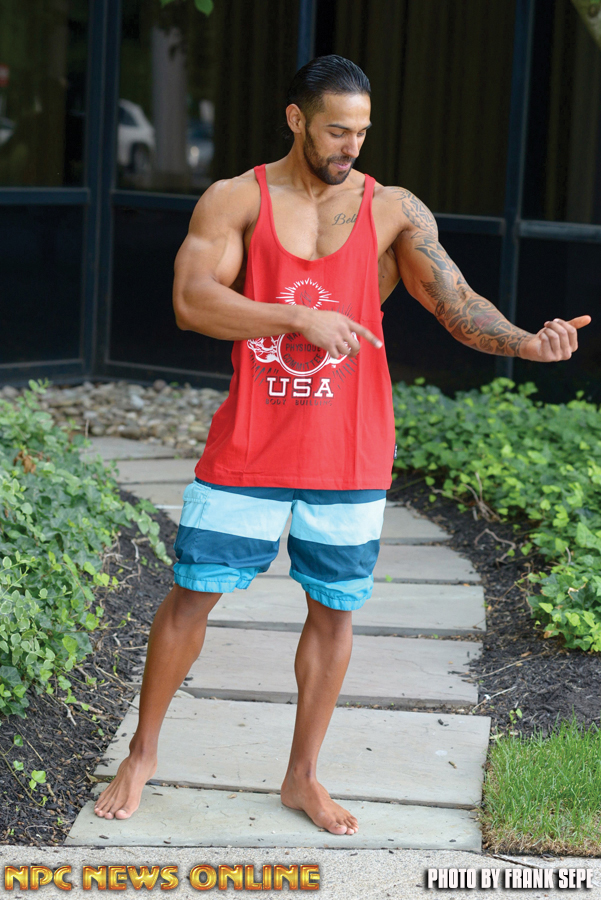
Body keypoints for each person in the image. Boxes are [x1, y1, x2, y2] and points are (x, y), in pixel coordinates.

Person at [93, 55, 590, 834]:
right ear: (296, 119)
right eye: (335, 130)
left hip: (349, 449)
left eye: (360, 131)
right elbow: (193, 302)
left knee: (332, 612)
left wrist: (526, 343)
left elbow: (457, 304)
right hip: (251, 443)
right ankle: (142, 754)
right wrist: (297, 317)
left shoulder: (392, 210)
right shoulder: (236, 199)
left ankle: (301, 777)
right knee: (192, 594)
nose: (349, 145)